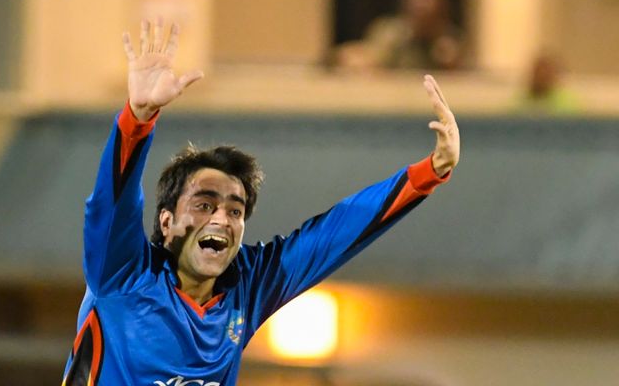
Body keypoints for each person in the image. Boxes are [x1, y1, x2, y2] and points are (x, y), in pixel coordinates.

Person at [61, 19, 460, 385]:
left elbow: (336, 232)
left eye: (235, 210)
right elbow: (111, 205)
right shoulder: (122, 273)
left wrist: (431, 170)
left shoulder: (248, 286)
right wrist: (138, 118)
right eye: (204, 204)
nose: (221, 218)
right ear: (166, 222)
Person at [335, 0, 464, 71]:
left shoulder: (451, 42)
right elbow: (369, 58)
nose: (422, 22)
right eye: (417, 14)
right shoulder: (391, 33)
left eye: (430, 17)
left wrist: (451, 64)